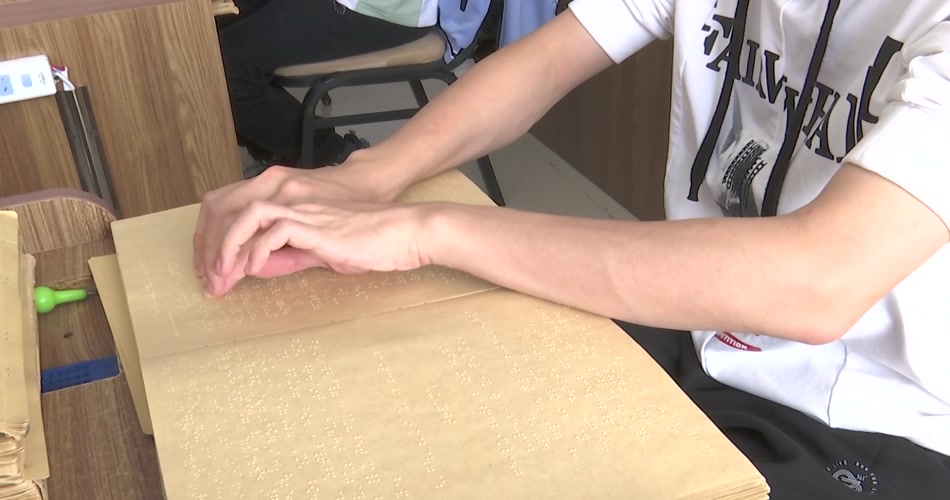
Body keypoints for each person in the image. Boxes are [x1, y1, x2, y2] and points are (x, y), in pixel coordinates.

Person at [194, 1, 950, 497]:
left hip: (877, 419)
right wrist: (370, 177)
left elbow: (817, 281)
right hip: (697, 328)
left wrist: (427, 229)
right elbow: (550, 59)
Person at [217, 0, 434, 175]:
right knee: (212, 24)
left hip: (381, 9)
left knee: (224, 67)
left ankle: (335, 156)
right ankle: (275, 152)